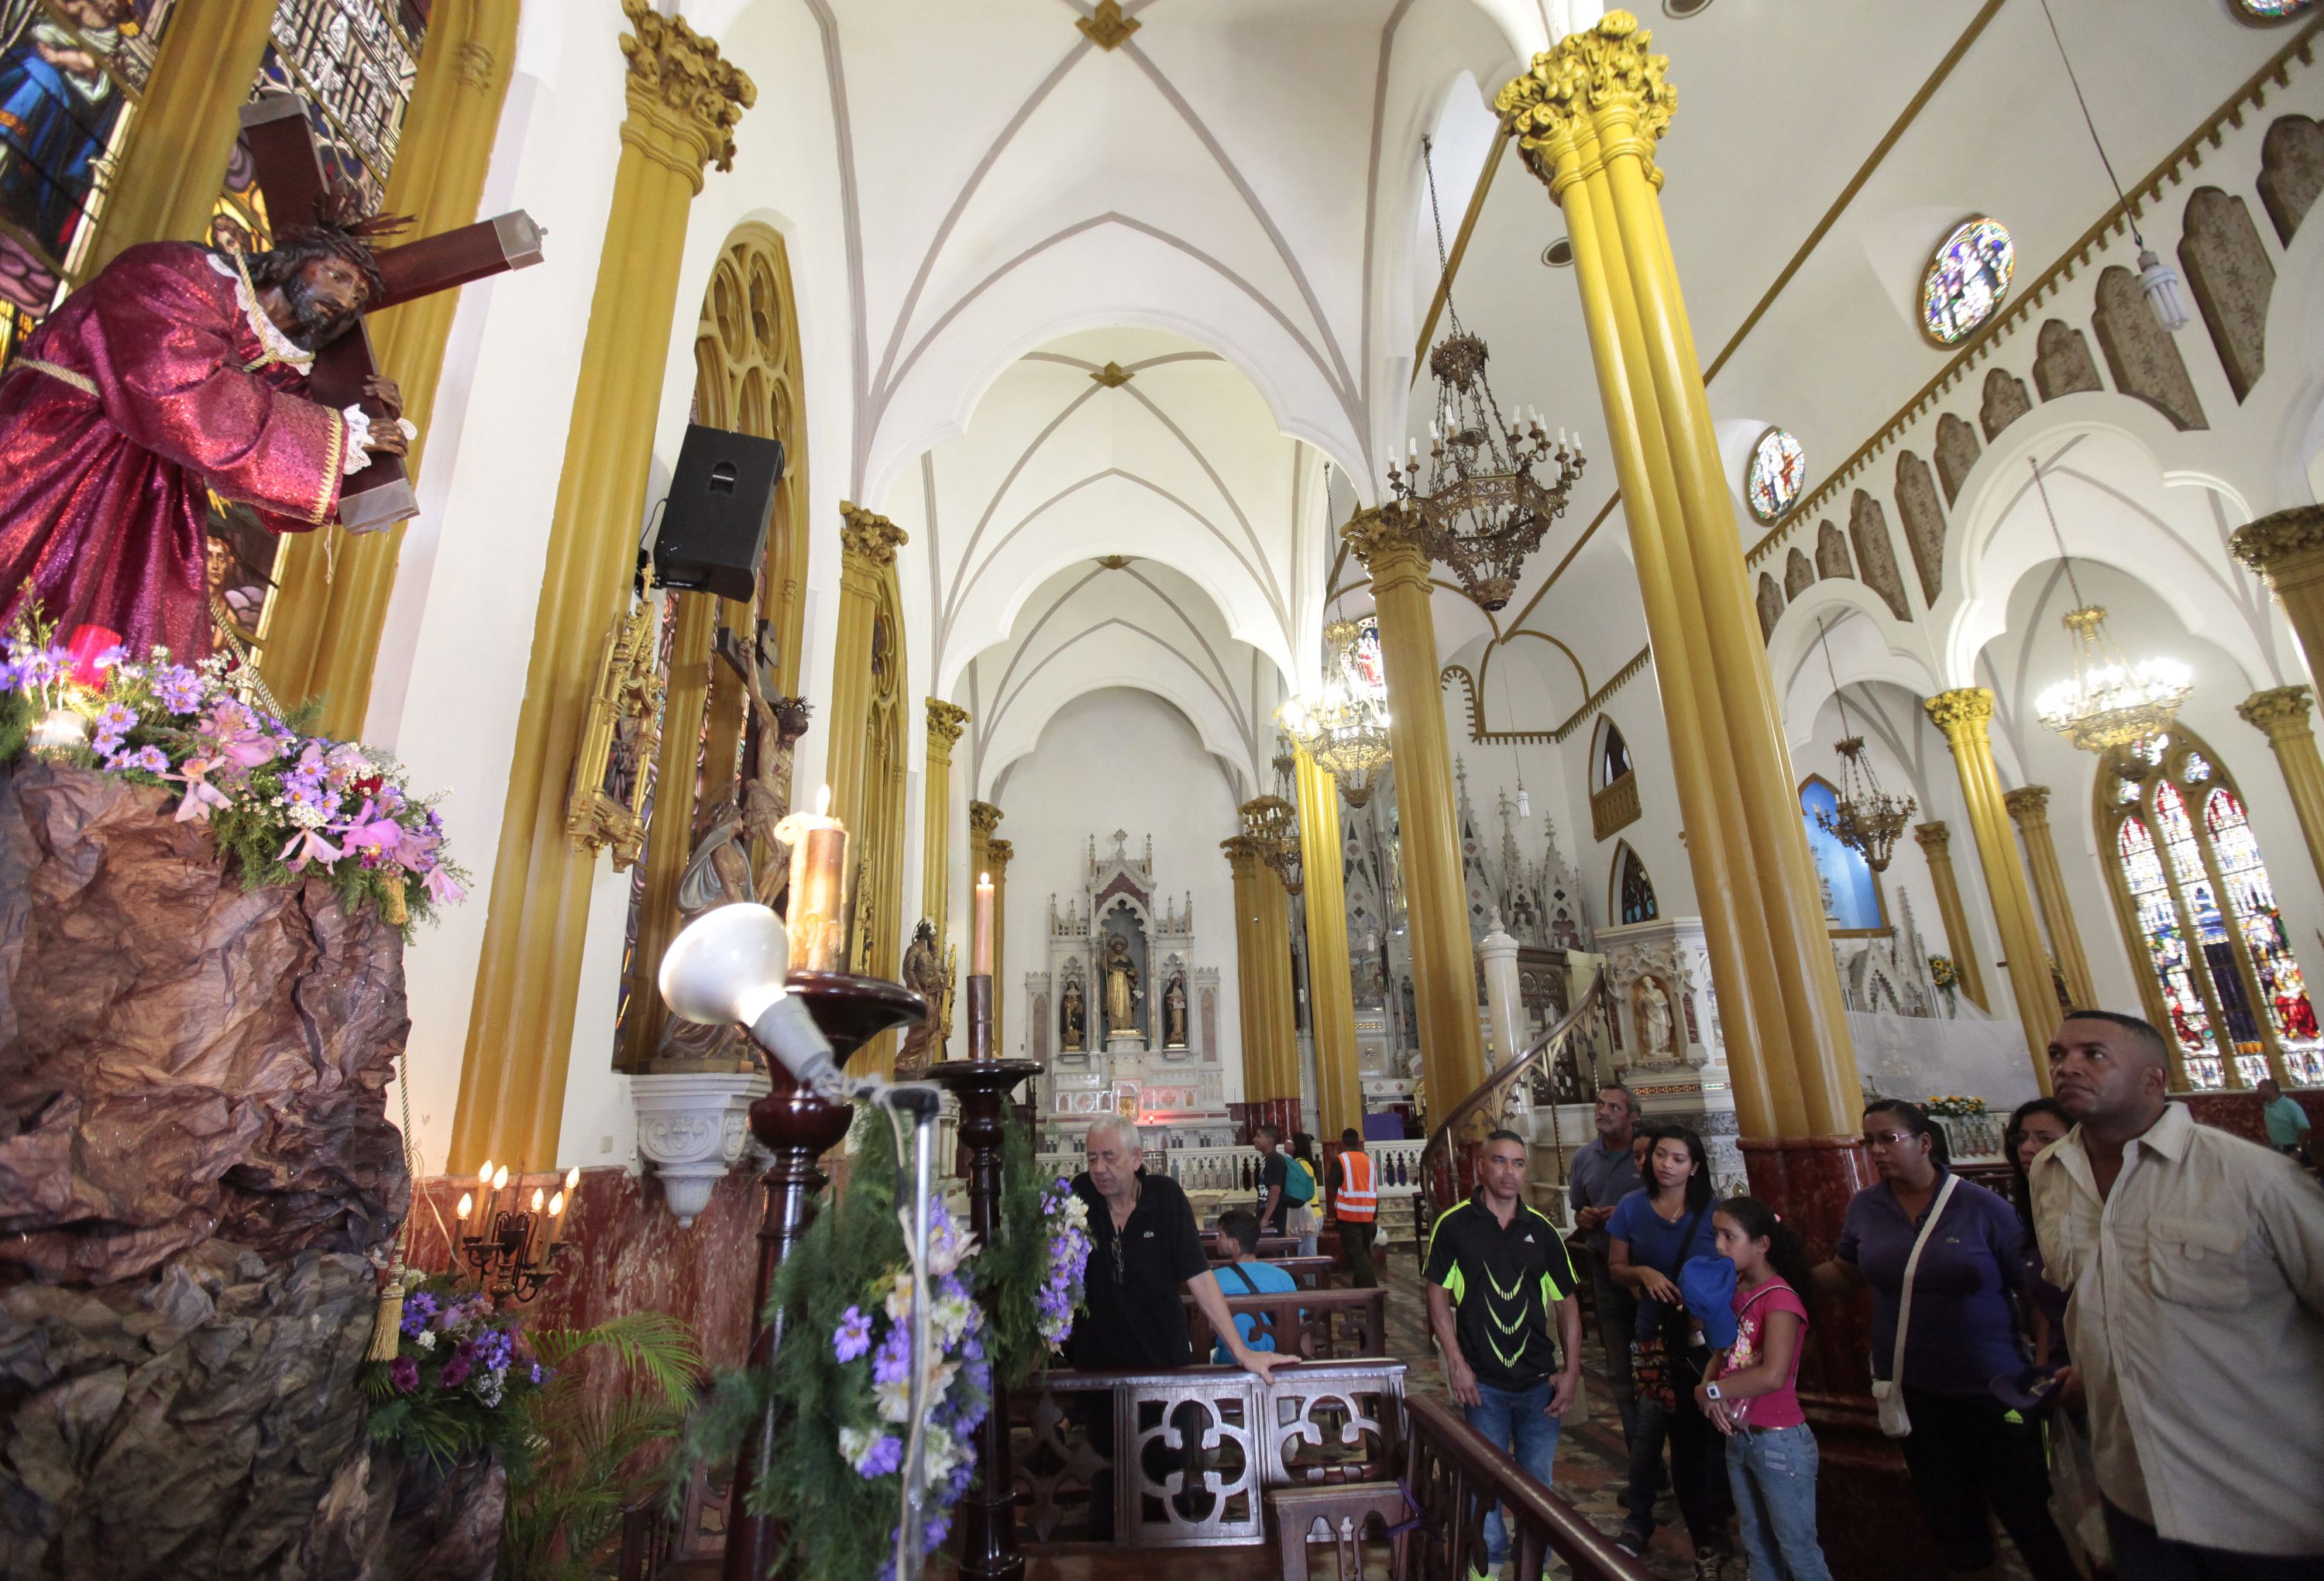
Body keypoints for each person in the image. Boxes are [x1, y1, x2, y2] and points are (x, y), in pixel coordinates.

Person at [0, 187, 413, 660]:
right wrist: (337, 437)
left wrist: (365, 420)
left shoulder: (284, 367)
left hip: (151, 500)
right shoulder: (175, 271)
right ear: (287, 261)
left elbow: (275, 500)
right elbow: (172, 387)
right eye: (338, 276)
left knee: (102, 666)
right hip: (57, 447)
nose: (343, 299)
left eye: (357, 296)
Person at [2033, 1011, 2324, 1577]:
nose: (2067, 1067)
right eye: (2058, 1054)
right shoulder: (2050, 1171)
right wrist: (2091, 1369)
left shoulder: (2250, 1177)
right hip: (2134, 1495)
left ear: (2153, 1078)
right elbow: (2101, 1296)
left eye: (2093, 1054)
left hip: (2264, 1502)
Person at [1818, 1101, 2078, 1581]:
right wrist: (1778, 1277)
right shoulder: (1866, 1206)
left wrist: (2040, 1374)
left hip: (1994, 1387)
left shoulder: (1983, 1208)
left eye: (1888, 1139)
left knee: (2026, 1511)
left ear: (1924, 1143)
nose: (1877, 1151)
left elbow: (2035, 1295)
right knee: (1949, 1514)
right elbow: (1846, 1270)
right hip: (1916, 1387)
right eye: (1868, 1141)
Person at [1425, 1129, 1583, 1579]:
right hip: (1484, 1382)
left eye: (1517, 1163)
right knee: (1484, 1483)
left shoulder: (1542, 1230)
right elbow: (1437, 1298)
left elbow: (1567, 1302)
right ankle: (1487, 1565)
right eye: (1499, 1162)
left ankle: (1537, 1567)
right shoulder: (1454, 1225)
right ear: (1481, 1166)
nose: (1509, 1172)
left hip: (1539, 1383)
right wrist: (1455, 1362)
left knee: (1539, 1486)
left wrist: (1571, 1370)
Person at [1608, 1124, 1731, 1576]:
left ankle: (1713, 1519)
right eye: (1661, 1155)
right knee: (1651, 1424)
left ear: (1694, 1166)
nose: (1667, 1165)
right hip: (1654, 1329)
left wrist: (1708, 1307)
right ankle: (1640, 1517)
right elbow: (1616, 1268)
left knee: (1709, 1427)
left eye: (1678, 1158)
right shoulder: (1632, 1207)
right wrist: (1642, 1273)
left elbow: (1731, 1271)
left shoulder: (1712, 1213)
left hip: (1703, 1333)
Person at [1697, 1196, 1831, 1581]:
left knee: (1798, 1550)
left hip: (1779, 1441)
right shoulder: (1734, 1291)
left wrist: (1714, 1393)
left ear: (1761, 1244)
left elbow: (1772, 1375)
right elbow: (1723, 1354)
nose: (1719, 1246)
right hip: (1741, 1437)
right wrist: (1705, 1385)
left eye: (1729, 1236)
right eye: (1716, 1236)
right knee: (1756, 1544)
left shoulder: (1780, 1300)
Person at [1569, 1081, 1646, 1449]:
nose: (1602, 1111)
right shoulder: (1585, 1158)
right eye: (1600, 1104)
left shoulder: (1651, 1154)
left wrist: (1631, 1214)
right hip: (1605, 1269)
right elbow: (1578, 1207)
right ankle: (1641, 1459)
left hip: (1649, 1271)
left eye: (1614, 1107)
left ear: (1633, 1116)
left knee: (1660, 1361)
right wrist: (1585, 1218)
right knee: (1619, 1368)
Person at [2004, 1097, 2073, 1366]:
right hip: (2059, 1363)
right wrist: (2042, 1367)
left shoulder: (2098, 1205)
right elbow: (2044, 1301)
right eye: (2022, 1138)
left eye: (2044, 1138)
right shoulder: (2036, 1205)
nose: (2028, 1148)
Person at [1209, 1208, 1299, 1363]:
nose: (1217, 1238)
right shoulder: (1283, 1277)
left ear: (1233, 1243)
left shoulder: (1213, 1280)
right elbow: (1299, 1328)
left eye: (1220, 1235)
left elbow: (1206, 1329)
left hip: (1228, 1363)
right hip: (1275, 1362)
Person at [1328, 1127, 1380, 1288]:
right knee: (1363, 1251)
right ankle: (1360, 1291)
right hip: (1368, 1213)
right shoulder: (1369, 1161)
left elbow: (1333, 1183)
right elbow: (1373, 1187)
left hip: (1349, 1214)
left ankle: (1371, 1290)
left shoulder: (1341, 1160)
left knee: (1356, 1253)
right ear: (1358, 1142)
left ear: (1343, 1143)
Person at [2257, 1075, 2312, 1160]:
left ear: (2271, 1089)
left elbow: (2305, 1129)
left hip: (2293, 1149)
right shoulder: (2267, 1107)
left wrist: (2298, 1149)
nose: (2258, 1091)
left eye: (2260, 1088)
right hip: (2278, 1150)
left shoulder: (2290, 1105)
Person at [1285, 1131, 1322, 1256]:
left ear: (1296, 1146)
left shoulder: (1299, 1165)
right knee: (1308, 1255)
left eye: (1289, 1140)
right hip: (1312, 1213)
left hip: (1306, 1214)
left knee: (1304, 1257)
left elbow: (1298, 1192)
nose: (1285, 1143)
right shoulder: (1304, 1163)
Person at [1253, 1122, 1289, 1236]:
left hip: (1273, 1219)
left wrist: (1265, 1218)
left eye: (1258, 1136)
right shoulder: (1270, 1159)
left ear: (1269, 1140)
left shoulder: (1274, 1159)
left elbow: (1275, 1189)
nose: (1255, 1139)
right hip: (1268, 1217)